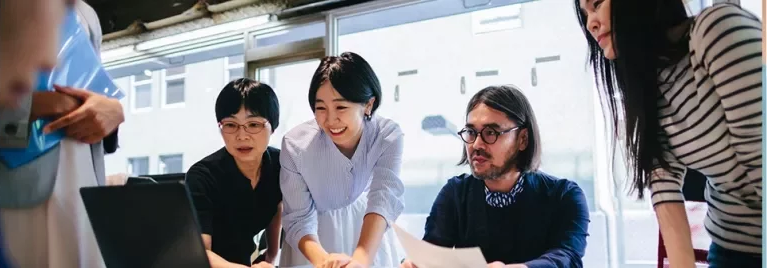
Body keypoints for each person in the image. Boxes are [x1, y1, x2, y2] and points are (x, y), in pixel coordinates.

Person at [575, 0, 762, 267]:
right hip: (731, 246)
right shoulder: (650, 84)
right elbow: (664, 187)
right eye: (585, 14)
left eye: (597, 4)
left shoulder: (715, 32)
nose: (590, 23)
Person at [400, 85, 589, 268]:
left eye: (490, 133)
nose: (476, 144)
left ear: (522, 139)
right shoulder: (456, 194)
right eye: (471, 133)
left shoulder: (564, 196)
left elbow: (567, 258)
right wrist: (416, 264)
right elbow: (434, 252)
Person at [0, 1, 125, 267]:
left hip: (83, 185)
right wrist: (44, 105)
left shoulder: (86, 13)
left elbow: (93, 90)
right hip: (15, 183)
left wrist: (112, 112)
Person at [279, 52, 406, 268]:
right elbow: (298, 217)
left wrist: (360, 260)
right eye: (321, 108)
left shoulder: (387, 135)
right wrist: (324, 261)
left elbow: (383, 197)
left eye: (341, 107)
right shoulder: (295, 145)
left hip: (367, 230)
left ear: (368, 105)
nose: (330, 120)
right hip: (311, 240)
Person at [185, 78, 282, 268]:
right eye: (230, 125)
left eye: (253, 124)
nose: (242, 136)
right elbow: (201, 254)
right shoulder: (202, 177)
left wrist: (271, 255)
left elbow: (277, 206)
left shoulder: (281, 164)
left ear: (273, 126)